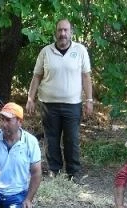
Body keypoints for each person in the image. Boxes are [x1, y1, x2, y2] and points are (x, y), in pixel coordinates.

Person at [26, 19, 93, 181]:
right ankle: (54, 170)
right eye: (60, 30)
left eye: (66, 30)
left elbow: (86, 76)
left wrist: (89, 99)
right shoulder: (46, 52)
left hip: (73, 104)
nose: (62, 34)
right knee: (51, 138)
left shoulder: (80, 50)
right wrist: (30, 98)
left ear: (71, 32)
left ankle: (73, 173)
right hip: (49, 104)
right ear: (55, 32)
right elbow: (37, 76)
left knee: (72, 139)